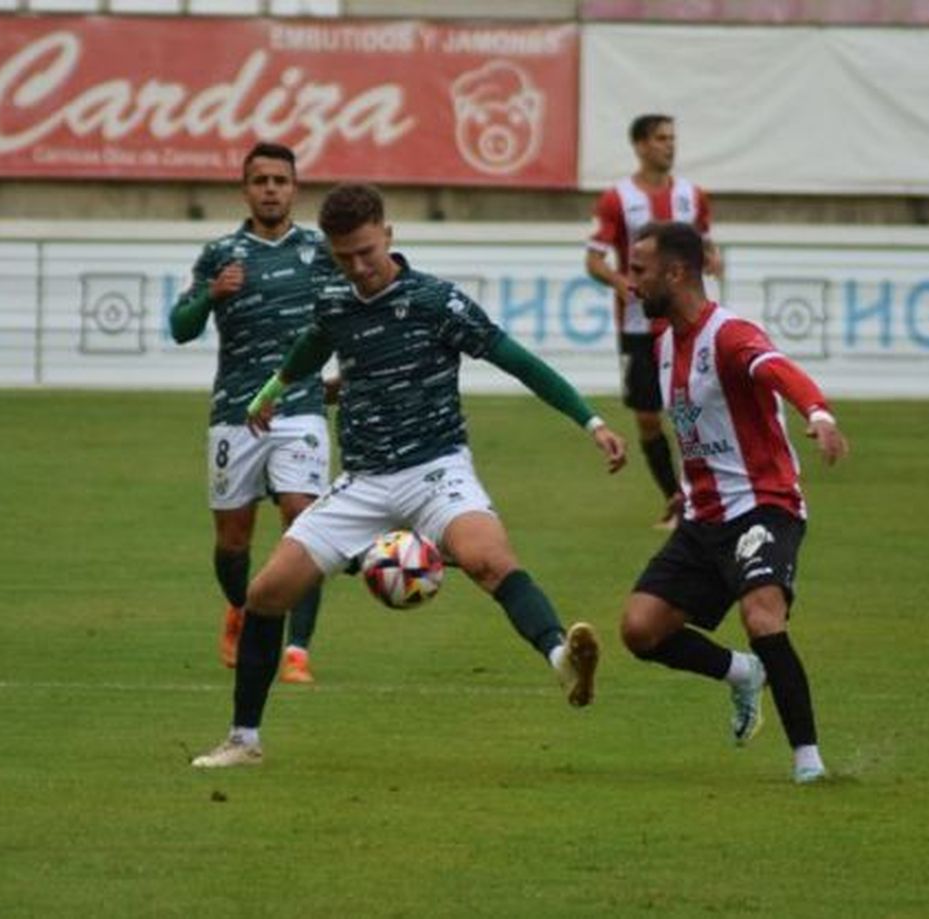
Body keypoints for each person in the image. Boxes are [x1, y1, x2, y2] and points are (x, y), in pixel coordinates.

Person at [192, 183, 628, 768]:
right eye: (344, 257)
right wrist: (272, 391)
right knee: (266, 595)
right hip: (363, 482)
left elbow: (518, 361)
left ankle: (563, 660)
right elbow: (312, 346)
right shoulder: (335, 300)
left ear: (389, 235)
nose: (357, 267)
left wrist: (591, 421)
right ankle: (244, 740)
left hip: (435, 470)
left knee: (489, 560)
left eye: (366, 251)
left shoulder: (436, 301)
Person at [617, 221, 848, 785]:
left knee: (761, 615)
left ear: (676, 273)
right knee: (640, 630)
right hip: (704, 519)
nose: (630, 282)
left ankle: (809, 762)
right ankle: (743, 674)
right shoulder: (663, 342)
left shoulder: (729, 335)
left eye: (640, 270)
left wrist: (818, 413)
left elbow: (777, 369)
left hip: (763, 504)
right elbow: (696, 431)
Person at [168, 142, 334, 685]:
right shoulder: (221, 254)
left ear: (294, 189)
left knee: (306, 522)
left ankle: (297, 650)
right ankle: (241, 609)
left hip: (299, 407)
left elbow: (351, 311)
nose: (270, 190)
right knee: (234, 540)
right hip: (235, 413)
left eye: (280, 181)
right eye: (261, 181)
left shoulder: (320, 251)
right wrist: (212, 295)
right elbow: (181, 327)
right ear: (245, 190)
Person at [585, 113, 723, 530]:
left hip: (686, 322)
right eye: (661, 138)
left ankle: (701, 499)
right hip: (638, 325)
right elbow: (594, 260)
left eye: (672, 138)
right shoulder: (617, 198)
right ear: (641, 145)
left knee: (689, 412)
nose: (670, 145)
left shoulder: (692, 196)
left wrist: (712, 259)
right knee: (647, 417)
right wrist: (620, 281)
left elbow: (705, 245)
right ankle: (674, 498)